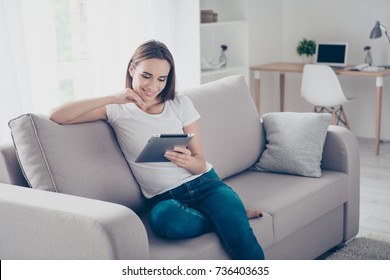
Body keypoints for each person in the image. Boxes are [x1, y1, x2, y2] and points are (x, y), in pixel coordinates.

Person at [49, 40, 265, 260]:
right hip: (165, 198)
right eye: (146, 76)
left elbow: (200, 162)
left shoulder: (180, 103)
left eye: (161, 79)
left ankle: (230, 217)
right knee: (165, 221)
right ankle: (230, 217)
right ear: (132, 69)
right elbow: (57, 115)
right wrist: (114, 97)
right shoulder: (117, 110)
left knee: (243, 243)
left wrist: (186, 160)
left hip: (206, 184)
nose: (153, 86)